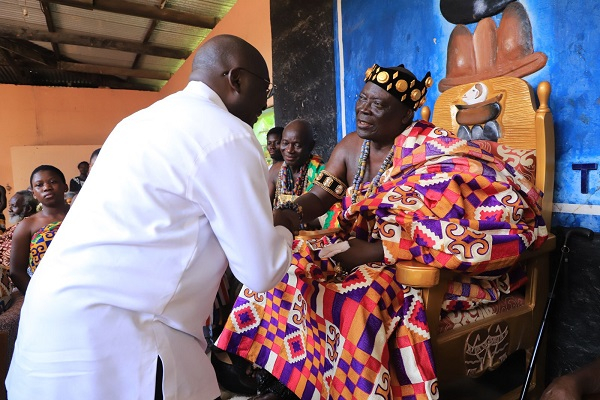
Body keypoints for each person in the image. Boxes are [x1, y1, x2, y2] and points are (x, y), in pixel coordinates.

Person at [216, 64, 548, 399]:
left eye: (378, 105)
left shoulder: (430, 150)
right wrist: (288, 215)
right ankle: (284, 379)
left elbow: (448, 222)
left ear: (405, 116)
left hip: (409, 263)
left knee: (359, 300)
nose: (363, 109)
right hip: (356, 249)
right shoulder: (349, 147)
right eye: (363, 99)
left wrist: (376, 251)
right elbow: (320, 196)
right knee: (284, 268)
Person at [6, 34, 293, 400]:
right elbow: (261, 270)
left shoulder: (137, 123)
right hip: (119, 344)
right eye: (263, 88)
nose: (263, 103)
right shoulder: (229, 134)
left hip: (51, 329)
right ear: (236, 79)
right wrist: (285, 227)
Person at [9, 166, 69, 295]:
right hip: (46, 295)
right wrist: (36, 297)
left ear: (65, 187)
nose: (47, 187)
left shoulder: (84, 216)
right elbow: (17, 271)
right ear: (34, 194)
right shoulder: (27, 226)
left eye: (53, 182)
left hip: (88, 290)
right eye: (39, 185)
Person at [269, 119, 338, 229]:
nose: (289, 150)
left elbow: (329, 214)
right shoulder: (275, 171)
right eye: (285, 143)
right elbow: (266, 207)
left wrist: (288, 218)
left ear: (310, 146)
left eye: (297, 145)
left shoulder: (323, 173)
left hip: (313, 238)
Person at [0, 190, 38, 302]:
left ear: (28, 209)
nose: (9, 209)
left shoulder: (28, 228)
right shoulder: (18, 226)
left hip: (12, 281)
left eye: (13, 206)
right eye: (9, 206)